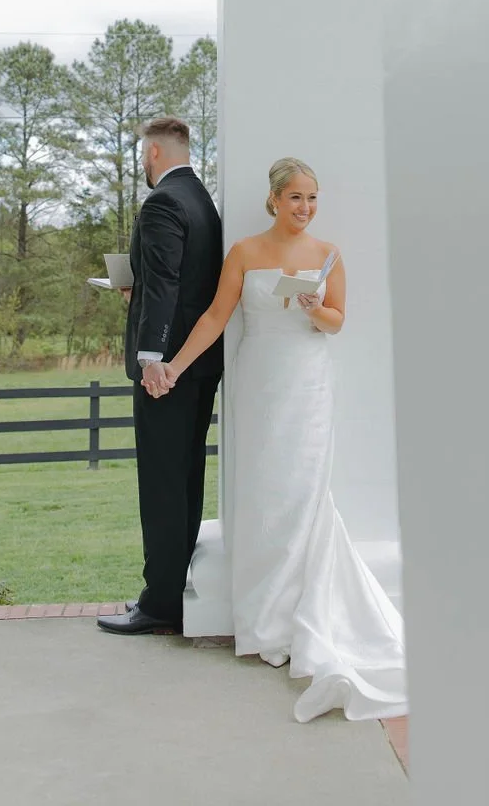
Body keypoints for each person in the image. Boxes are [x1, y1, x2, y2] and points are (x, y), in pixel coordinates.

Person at [146, 157, 407, 722]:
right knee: (261, 491)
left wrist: (317, 309)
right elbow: (217, 316)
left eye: (312, 198)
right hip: (259, 377)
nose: (305, 208)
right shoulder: (243, 252)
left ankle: (301, 616)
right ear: (274, 199)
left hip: (309, 382)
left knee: (300, 490)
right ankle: (263, 620)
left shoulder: (328, 253)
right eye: (295, 198)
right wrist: (172, 365)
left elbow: (339, 322)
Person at [97, 118, 223, 636]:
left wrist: (152, 360)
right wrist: (137, 290)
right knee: (185, 476)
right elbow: (184, 281)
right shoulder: (204, 202)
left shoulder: (162, 203)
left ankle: (160, 603)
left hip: (167, 371)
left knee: (162, 482)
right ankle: (172, 590)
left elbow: (168, 284)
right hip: (197, 366)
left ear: (152, 151)